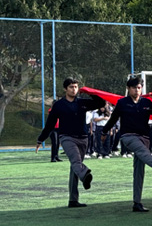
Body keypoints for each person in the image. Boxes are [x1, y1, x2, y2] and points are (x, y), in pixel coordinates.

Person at [101, 77, 152, 212]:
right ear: (128, 89)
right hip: (128, 137)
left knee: (139, 171)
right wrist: (104, 132)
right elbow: (113, 119)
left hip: (145, 137)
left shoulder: (147, 102)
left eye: (139, 88)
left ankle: (137, 203)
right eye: (134, 88)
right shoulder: (122, 103)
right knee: (144, 153)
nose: (137, 90)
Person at [35, 78, 106, 208]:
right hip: (67, 138)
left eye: (76, 87)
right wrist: (41, 139)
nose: (74, 89)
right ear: (65, 89)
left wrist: (90, 92)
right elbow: (50, 124)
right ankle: (85, 174)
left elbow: (101, 102)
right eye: (71, 87)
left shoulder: (82, 102)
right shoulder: (59, 105)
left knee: (74, 167)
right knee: (76, 161)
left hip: (83, 138)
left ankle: (73, 200)